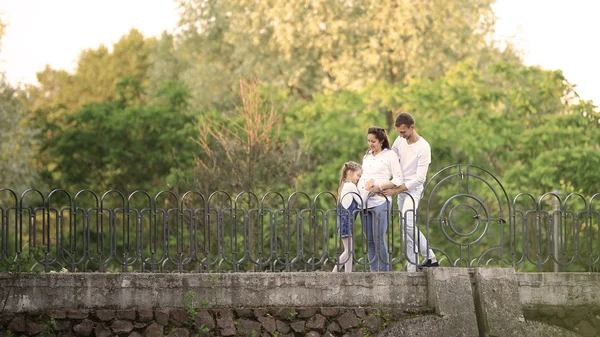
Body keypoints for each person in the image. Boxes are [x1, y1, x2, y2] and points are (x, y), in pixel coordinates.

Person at [385, 112, 438, 272]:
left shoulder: (423, 147)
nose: (401, 135)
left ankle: (431, 257)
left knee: (407, 223)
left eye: (403, 132)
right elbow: (391, 158)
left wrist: (396, 190)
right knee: (405, 228)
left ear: (412, 127)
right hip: (400, 188)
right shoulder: (400, 141)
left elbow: (420, 178)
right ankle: (411, 267)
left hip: (413, 190)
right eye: (399, 132)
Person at [357, 126, 404, 272]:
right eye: (369, 141)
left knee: (379, 238)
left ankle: (385, 271)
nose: (371, 144)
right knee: (370, 240)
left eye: (374, 141)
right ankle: (373, 271)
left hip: (380, 201)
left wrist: (379, 186)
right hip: (365, 201)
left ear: (381, 141)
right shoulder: (367, 157)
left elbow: (398, 179)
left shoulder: (389, 155)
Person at [332, 161, 362, 273]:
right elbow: (361, 202)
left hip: (344, 223)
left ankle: (348, 274)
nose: (358, 178)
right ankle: (334, 273)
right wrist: (368, 190)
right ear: (350, 172)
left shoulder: (345, 185)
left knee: (349, 250)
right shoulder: (350, 186)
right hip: (346, 223)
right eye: (358, 175)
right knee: (348, 251)